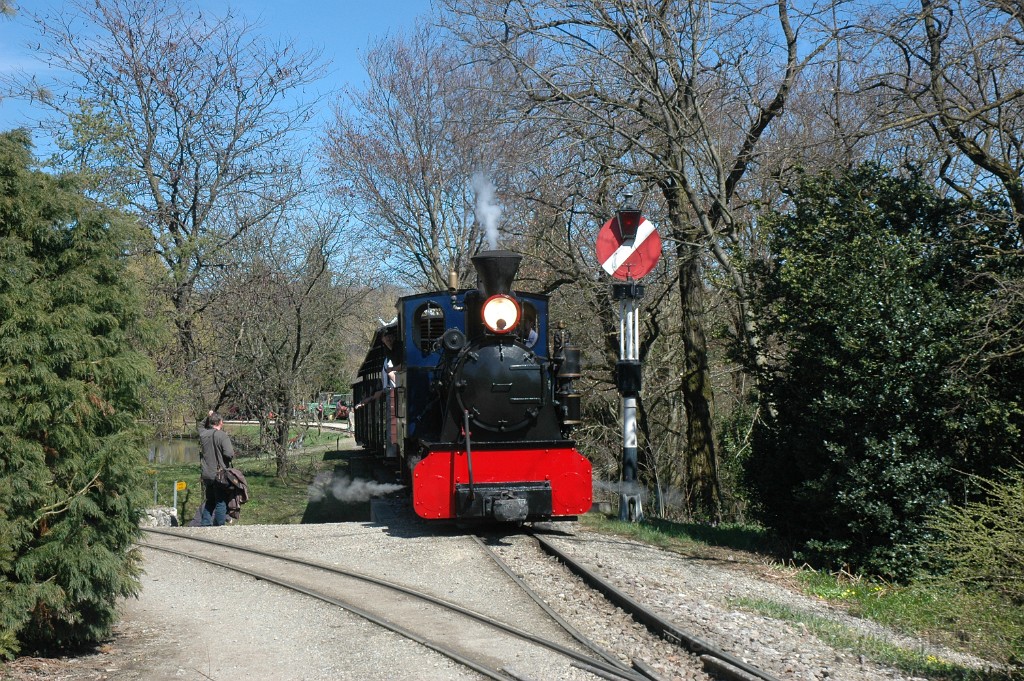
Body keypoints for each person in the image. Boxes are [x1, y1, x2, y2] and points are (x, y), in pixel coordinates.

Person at [198, 410, 235, 526]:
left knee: (210, 500)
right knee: (220, 501)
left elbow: (200, 425)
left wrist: (207, 416)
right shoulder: (222, 436)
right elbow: (229, 453)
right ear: (220, 422)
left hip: (206, 474)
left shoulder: (203, 434)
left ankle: (205, 524)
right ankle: (219, 527)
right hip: (219, 474)